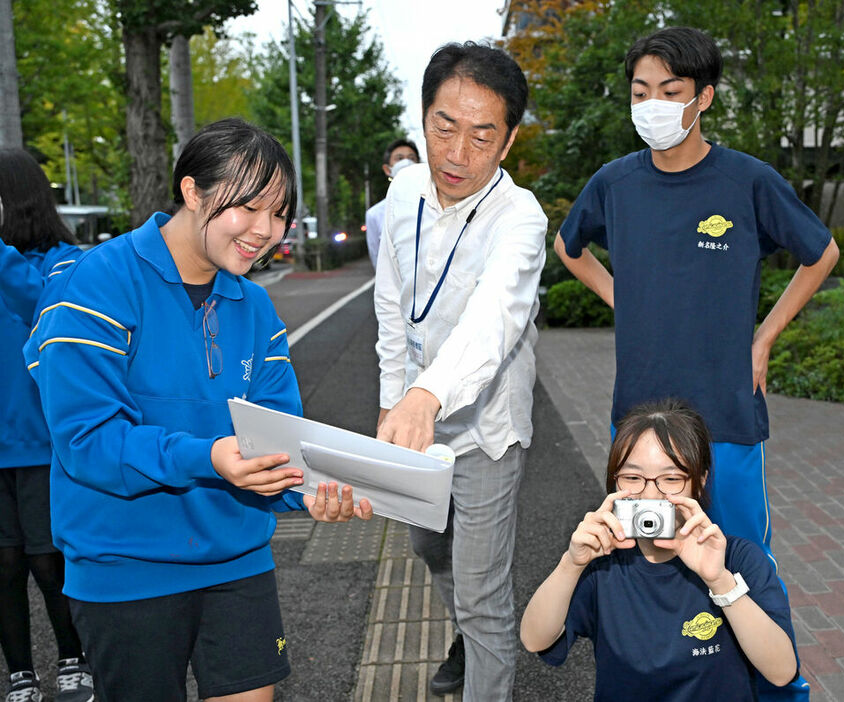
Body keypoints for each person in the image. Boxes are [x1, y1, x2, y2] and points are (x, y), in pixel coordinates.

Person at [23, 118, 372, 702]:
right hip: (122, 568)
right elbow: (87, 441)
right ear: (193, 191)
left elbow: (275, 439)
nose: (266, 231)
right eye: (249, 208)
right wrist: (207, 457)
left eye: (279, 212)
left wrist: (309, 489)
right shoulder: (96, 284)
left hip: (237, 560)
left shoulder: (256, 309)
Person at [553, 27, 837, 700]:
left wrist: (764, 336)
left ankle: (779, 689)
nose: (652, 104)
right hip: (642, 431)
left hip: (728, 417)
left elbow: (819, 252)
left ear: (704, 97)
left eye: (670, 92)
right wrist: (625, 296)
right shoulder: (615, 183)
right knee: (639, 563)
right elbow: (570, 246)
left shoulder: (746, 180)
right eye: (640, 92)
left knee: (739, 564)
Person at [374, 42, 547, 700]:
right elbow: (392, 305)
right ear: (423, 118)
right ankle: (468, 635)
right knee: (425, 549)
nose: (456, 154)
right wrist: (397, 401)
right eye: (444, 127)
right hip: (417, 420)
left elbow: (495, 321)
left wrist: (426, 396)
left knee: (482, 595)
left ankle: (482, 649)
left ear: (507, 143)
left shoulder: (520, 217)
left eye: (482, 136)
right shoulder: (403, 190)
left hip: (485, 429)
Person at [521, 399, 801, 702]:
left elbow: (781, 671)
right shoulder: (602, 563)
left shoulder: (736, 559)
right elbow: (535, 639)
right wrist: (570, 564)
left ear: (700, 480)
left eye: (671, 479)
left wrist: (720, 581)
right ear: (614, 480)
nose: (651, 494)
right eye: (632, 477)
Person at [0, 149, 93, 702]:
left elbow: (42, 305)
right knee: (4, 562)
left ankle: (73, 653)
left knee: (46, 556)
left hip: (39, 440)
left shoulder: (63, 261)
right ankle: (18, 671)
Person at [366, 138, 420, 268]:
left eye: (411, 158)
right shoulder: (375, 214)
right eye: (399, 158)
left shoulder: (436, 205)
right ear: (387, 169)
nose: (406, 162)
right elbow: (376, 258)